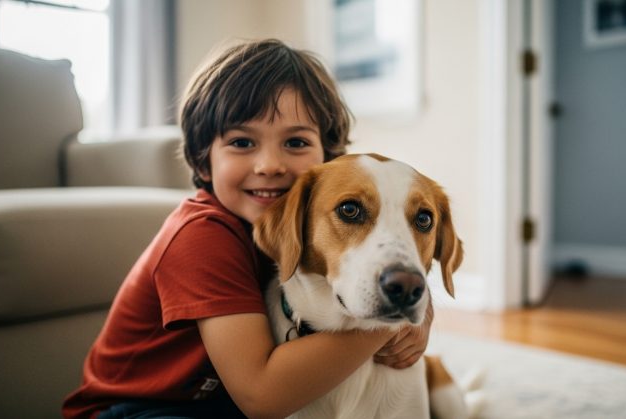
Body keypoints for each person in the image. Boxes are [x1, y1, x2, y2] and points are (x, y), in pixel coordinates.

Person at [63, 39, 433, 419]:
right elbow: (262, 396)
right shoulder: (200, 237)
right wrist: (388, 321)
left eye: (295, 142)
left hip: (220, 400)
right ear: (204, 162)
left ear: (329, 160)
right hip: (137, 408)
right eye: (242, 142)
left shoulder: (310, 221)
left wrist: (413, 299)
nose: (269, 164)